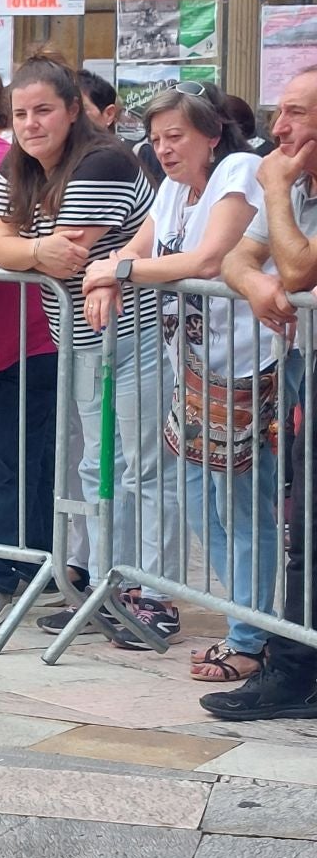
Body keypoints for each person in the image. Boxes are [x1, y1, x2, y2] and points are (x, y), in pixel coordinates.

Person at [0, 52, 180, 646]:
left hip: (137, 331)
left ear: (74, 111)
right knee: (98, 467)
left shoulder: (102, 159)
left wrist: (26, 246)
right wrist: (29, 248)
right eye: (20, 113)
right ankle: (106, 586)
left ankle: (155, 596)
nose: (30, 124)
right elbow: (3, 249)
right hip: (76, 334)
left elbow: (68, 252)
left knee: (145, 466)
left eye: (44, 110)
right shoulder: (15, 165)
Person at [85, 87, 266, 676]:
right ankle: (247, 617)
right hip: (187, 369)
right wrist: (110, 276)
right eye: (156, 138)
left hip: (246, 365)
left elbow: (210, 259)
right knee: (194, 498)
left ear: (211, 135)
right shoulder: (169, 190)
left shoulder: (239, 170)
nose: (163, 149)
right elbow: (133, 249)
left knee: (241, 507)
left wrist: (120, 270)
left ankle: (251, 636)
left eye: (176, 136)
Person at [216, 65, 317, 719]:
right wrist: (255, 285)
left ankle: (294, 670)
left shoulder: (286, 184)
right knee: (302, 525)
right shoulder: (300, 184)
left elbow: (302, 265)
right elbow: (234, 257)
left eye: (296, 114)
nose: (277, 128)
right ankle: (297, 669)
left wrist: (276, 189)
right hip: (308, 361)